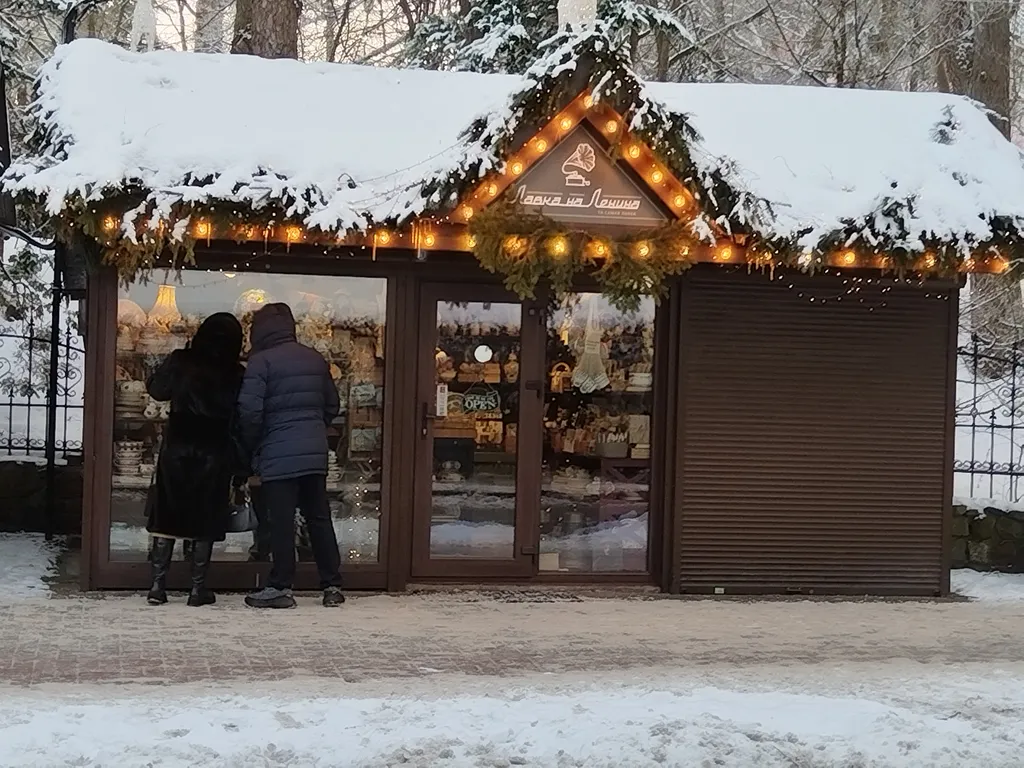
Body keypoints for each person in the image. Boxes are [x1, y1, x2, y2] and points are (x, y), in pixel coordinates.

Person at [236, 302, 345, 609]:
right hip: (313, 453)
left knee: (281, 521)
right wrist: (313, 428)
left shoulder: (261, 362)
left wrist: (252, 445)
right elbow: (332, 405)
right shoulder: (314, 358)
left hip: (277, 452)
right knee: (319, 518)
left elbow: (249, 411)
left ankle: (281, 585)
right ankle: (332, 585)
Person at [145, 312, 245, 607]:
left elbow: (157, 390)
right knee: (205, 517)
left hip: (177, 447)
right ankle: (197, 589)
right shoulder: (236, 372)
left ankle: (157, 586)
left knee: (167, 514)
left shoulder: (180, 360)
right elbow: (241, 415)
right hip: (214, 450)